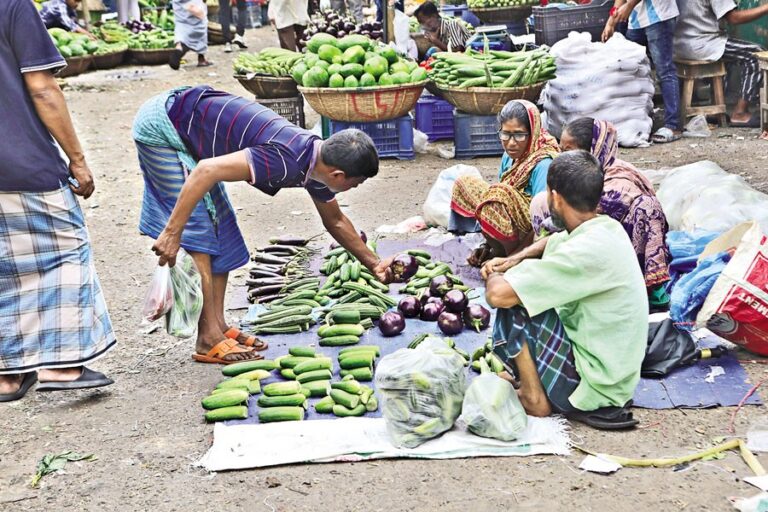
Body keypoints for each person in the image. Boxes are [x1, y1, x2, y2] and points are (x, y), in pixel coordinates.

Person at [133, 85, 393, 365]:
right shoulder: (287, 159)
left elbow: (336, 220)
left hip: (191, 126)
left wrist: (374, 263)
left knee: (224, 232)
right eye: (356, 183)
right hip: (164, 127)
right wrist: (172, 233)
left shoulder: (316, 161)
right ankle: (207, 337)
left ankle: (217, 325)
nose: (355, 188)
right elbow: (206, 170)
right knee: (199, 234)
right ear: (339, 174)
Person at [0, 0, 116, 402]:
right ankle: (61, 365)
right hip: (19, 162)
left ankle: (7, 376)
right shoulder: (12, 6)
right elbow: (42, 87)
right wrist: (78, 160)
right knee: (64, 253)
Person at [482, 150, 648, 429]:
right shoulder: (607, 229)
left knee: (515, 304)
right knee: (528, 290)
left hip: (592, 388)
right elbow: (556, 240)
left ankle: (535, 397)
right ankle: (533, 382)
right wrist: (515, 259)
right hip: (614, 379)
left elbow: (497, 295)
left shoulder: (584, 253)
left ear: (555, 197)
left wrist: (494, 274)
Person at [530, 118, 672, 309]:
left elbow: (584, 219)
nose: (560, 156)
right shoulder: (578, 176)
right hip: (592, 244)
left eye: (568, 150)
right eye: (561, 150)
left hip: (621, 251)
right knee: (541, 201)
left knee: (647, 207)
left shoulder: (619, 179)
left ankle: (650, 291)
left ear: (592, 150)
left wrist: (524, 254)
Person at [449, 100, 560, 266]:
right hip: (510, 219)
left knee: (498, 194)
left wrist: (513, 259)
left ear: (533, 132)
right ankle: (495, 249)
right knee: (465, 183)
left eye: (519, 134)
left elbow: (543, 223)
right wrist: (487, 244)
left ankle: (508, 254)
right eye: (505, 134)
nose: (511, 142)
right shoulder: (509, 156)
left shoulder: (544, 162)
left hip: (534, 234)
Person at [674, 0, 768, 127]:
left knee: (731, 51)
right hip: (703, 43)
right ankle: (740, 113)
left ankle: (714, 109)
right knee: (756, 54)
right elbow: (734, 18)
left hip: (681, 44)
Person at [602, 0, 681, 143]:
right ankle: (638, 121)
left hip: (658, 17)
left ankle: (673, 125)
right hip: (636, 20)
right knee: (631, 69)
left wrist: (629, 6)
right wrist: (611, 21)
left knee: (665, 70)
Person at [170, 0, 212, 69]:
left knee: (181, 28)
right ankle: (201, 59)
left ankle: (179, 47)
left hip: (180, 9)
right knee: (200, 29)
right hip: (193, 6)